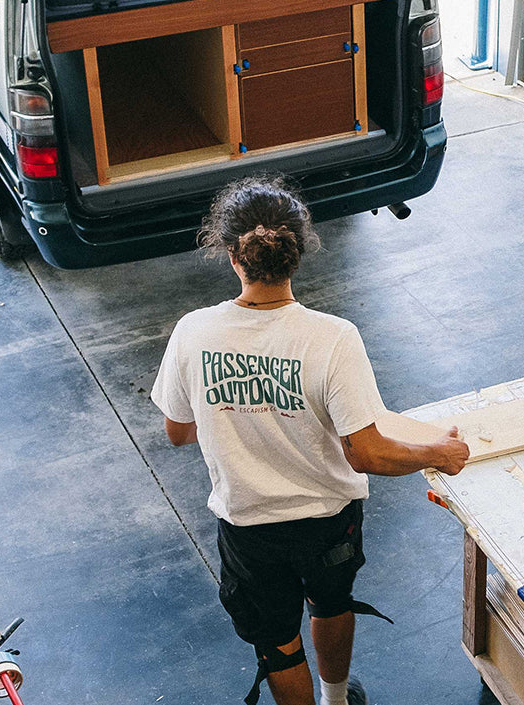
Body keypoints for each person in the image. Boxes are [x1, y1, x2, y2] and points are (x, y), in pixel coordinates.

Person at [152, 176, 470, 705]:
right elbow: (367, 451)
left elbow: (177, 432)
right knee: (329, 601)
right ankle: (337, 697)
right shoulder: (332, 337)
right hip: (327, 520)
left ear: (232, 253)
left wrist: (228, 405)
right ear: (299, 252)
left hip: (248, 523)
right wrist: (441, 453)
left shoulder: (194, 332)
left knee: (278, 641)